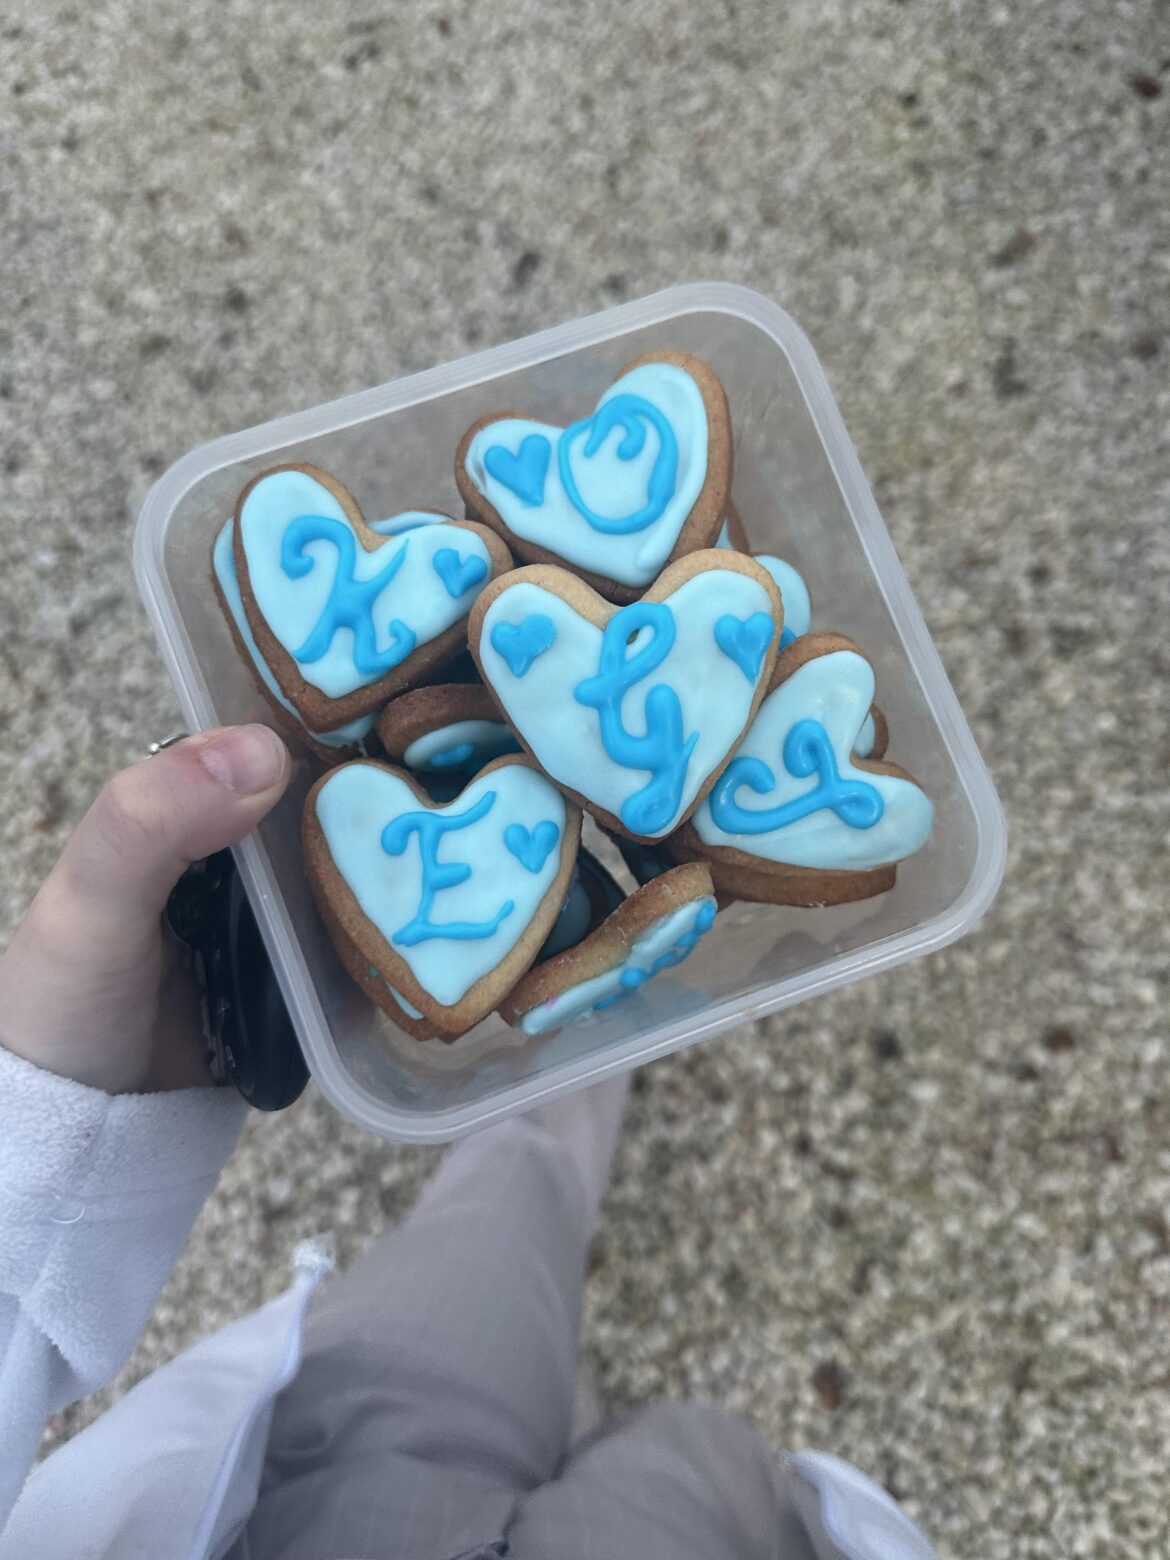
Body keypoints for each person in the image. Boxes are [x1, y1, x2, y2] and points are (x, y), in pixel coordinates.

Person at [0, 725, 937, 1560]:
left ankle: (587, 1014)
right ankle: (586, 999)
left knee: (512, 1186)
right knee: (709, 1458)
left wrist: (57, 1136)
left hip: (313, 1503)